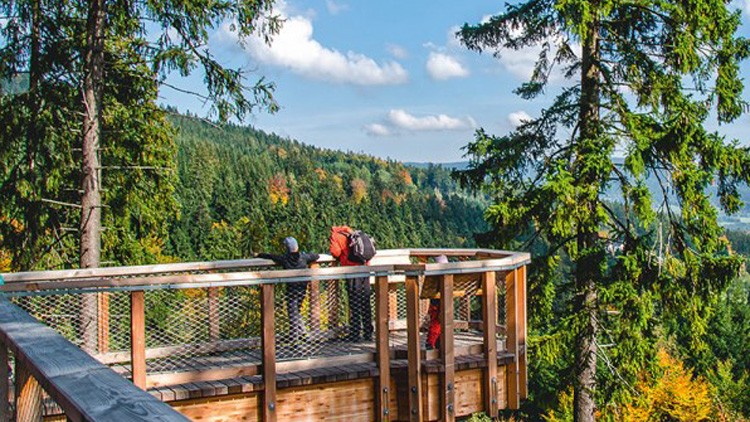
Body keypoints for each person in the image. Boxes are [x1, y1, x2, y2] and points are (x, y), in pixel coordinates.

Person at [256, 237, 319, 343]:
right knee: (296, 311)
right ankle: (304, 334)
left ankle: (295, 338)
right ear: (297, 247)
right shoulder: (303, 257)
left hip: (291, 290)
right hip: (302, 289)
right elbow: (316, 256)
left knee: (292, 312)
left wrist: (259, 254)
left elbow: (271, 256)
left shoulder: (284, 259)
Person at [329, 225, 373, 342]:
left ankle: (355, 333)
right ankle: (368, 332)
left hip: (352, 271)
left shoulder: (336, 235)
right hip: (365, 269)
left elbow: (335, 252)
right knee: (365, 301)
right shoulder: (352, 232)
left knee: (354, 302)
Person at [426, 255, 448, 350]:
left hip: (436, 302)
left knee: (435, 321)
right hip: (446, 300)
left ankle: (431, 342)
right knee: (439, 321)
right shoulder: (448, 276)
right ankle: (437, 342)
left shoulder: (434, 276)